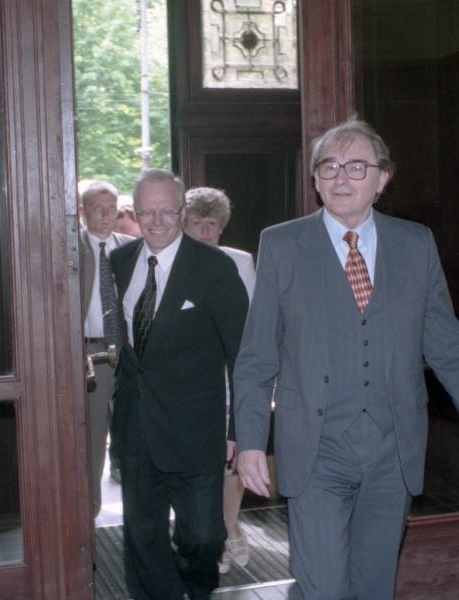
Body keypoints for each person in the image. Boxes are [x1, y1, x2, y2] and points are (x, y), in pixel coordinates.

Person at [233, 117, 459, 599]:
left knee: (373, 587)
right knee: (324, 589)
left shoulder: (415, 243)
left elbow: (449, 348)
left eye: (356, 167)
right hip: (316, 450)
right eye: (329, 166)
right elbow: (257, 356)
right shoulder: (281, 244)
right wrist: (249, 442)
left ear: (382, 179)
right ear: (315, 179)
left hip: (392, 451)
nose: (341, 177)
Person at [110, 169, 249, 599]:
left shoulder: (214, 267)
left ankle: (196, 590)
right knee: (143, 536)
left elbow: (242, 355)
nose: (156, 221)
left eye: (166, 211)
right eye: (146, 212)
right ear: (135, 213)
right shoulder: (119, 261)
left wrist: (239, 431)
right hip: (137, 427)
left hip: (196, 431)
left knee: (204, 537)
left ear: (182, 212)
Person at [183, 186, 256, 574]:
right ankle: (208, 534)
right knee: (198, 462)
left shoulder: (241, 261)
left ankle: (231, 526)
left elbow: (253, 325)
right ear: (185, 224)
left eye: (212, 223)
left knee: (232, 460)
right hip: (188, 381)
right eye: (197, 222)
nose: (205, 231)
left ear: (222, 226)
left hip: (232, 376)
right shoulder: (172, 262)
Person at [80, 180, 134, 518]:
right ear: (83, 212)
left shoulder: (132, 249)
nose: (105, 215)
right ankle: (90, 514)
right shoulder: (71, 248)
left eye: (111, 208)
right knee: (93, 438)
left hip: (129, 353)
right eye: (97, 208)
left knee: (135, 433)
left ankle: (142, 512)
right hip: (92, 353)